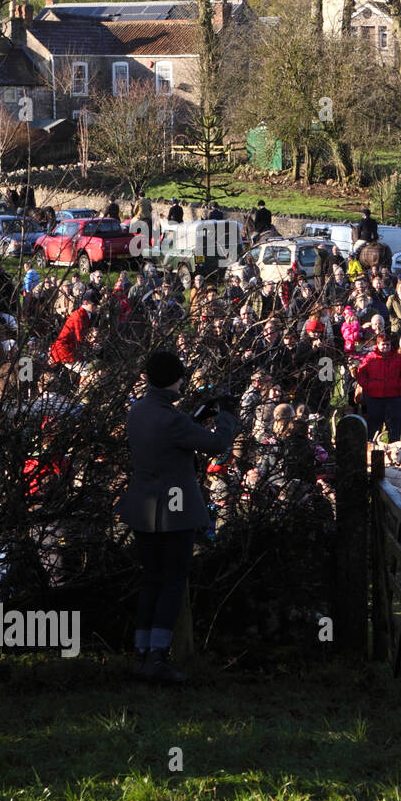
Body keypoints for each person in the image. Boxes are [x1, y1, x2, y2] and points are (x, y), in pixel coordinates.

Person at [115, 351, 240, 683]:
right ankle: (158, 656)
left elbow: (169, 437)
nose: (183, 380)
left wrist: (194, 418)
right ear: (172, 378)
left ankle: (141, 654)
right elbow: (216, 445)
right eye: (181, 376)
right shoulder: (172, 419)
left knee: (151, 579)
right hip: (174, 509)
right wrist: (227, 416)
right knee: (172, 581)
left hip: (143, 507)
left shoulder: (138, 411)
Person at [356, 331, 401, 441]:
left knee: (394, 426)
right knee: (374, 425)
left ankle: (395, 449)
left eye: (388, 344)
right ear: (377, 345)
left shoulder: (398, 358)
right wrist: (368, 385)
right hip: (374, 396)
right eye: (383, 344)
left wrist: (399, 384)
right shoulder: (370, 358)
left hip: (394, 397)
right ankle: (374, 449)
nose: (386, 347)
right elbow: (361, 373)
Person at [48, 290, 99, 374]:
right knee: (88, 371)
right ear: (85, 303)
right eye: (93, 305)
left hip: (72, 349)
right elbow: (80, 337)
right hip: (65, 350)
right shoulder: (78, 315)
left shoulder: (86, 315)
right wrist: (90, 345)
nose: (95, 307)